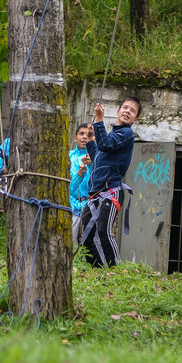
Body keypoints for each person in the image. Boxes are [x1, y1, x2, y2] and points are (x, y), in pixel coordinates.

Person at [80, 98, 140, 267]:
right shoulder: (113, 135)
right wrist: (91, 140)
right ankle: (97, 269)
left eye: (132, 111)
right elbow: (97, 156)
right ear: (118, 111)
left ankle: (116, 270)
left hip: (111, 191)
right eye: (125, 108)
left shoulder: (126, 134)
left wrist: (99, 120)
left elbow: (105, 145)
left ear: (135, 120)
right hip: (96, 194)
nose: (127, 111)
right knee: (84, 235)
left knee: (104, 231)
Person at [70, 123, 94, 245]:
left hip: (91, 208)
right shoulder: (68, 157)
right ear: (75, 138)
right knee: (72, 247)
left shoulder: (99, 158)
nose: (85, 137)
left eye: (88, 134)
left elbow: (100, 184)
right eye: (81, 134)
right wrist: (79, 174)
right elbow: (67, 188)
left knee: (89, 248)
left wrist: (91, 165)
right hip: (72, 208)